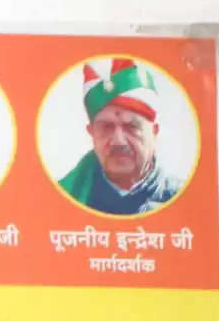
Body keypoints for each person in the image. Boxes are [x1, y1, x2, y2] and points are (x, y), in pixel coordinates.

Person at [55, 56, 184, 215]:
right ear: (92, 134)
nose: (118, 141)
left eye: (132, 127)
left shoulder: (183, 199)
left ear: (154, 132)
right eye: (106, 127)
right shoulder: (63, 198)